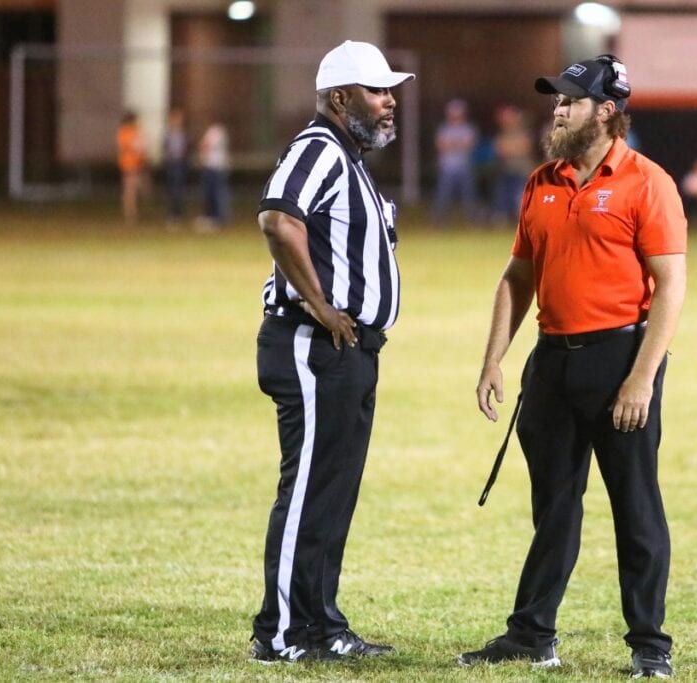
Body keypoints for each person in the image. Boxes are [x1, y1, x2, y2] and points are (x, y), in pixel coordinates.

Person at [459, 54, 688, 680]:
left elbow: (670, 286)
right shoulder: (541, 181)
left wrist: (642, 378)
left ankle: (650, 645)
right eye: (555, 99)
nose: (556, 108)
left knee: (636, 507)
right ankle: (532, 635)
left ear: (607, 111)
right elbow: (518, 275)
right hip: (552, 363)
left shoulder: (648, 182)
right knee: (553, 506)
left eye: (570, 99)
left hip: (621, 360)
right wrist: (493, 361)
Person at [248, 39, 414, 665]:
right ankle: (282, 632)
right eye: (377, 91)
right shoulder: (318, 148)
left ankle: (321, 625)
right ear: (341, 98)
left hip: (347, 351)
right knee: (310, 490)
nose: (389, 101)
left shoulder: (348, 157)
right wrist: (319, 304)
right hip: (313, 343)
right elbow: (277, 218)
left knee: (332, 492)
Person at [432, 98, 479, 225]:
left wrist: (451, 144)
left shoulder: (468, 128)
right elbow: (441, 146)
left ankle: (472, 221)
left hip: (465, 167)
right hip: (447, 168)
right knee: (442, 196)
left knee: (469, 196)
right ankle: (439, 221)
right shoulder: (444, 128)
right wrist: (458, 144)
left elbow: (469, 145)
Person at [490, 103, 536, 226]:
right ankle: (502, 218)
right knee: (502, 195)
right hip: (506, 170)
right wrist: (513, 148)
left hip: (521, 170)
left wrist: (509, 148)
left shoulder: (523, 132)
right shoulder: (502, 134)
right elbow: (499, 150)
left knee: (520, 196)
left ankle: (522, 220)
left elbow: (525, 148)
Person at [197, 121, 230, 232]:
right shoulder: (220, 132)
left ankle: (217, 218)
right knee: (214, 194)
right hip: (216, 167)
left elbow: (205, 145)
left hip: (214, 168)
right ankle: (215, 218)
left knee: (216, 195)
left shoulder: (215, 132)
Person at [116, 110, 146, 225]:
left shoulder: (136, 131)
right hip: (129, 165)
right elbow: (128, 146)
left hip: (138, 164)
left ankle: (134, 212)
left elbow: (142, 146)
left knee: (137, 189)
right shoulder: (124, 131)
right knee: (130, 191)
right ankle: (130, 215)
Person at [162, 108, 189, 228]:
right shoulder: (168, 134)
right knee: (171, 191)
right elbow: (165, 148)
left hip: (180, 165)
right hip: (171, 165)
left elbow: (187, 149)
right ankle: (172, 215)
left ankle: (178, 214)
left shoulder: (183, 134)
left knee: (178, 190)